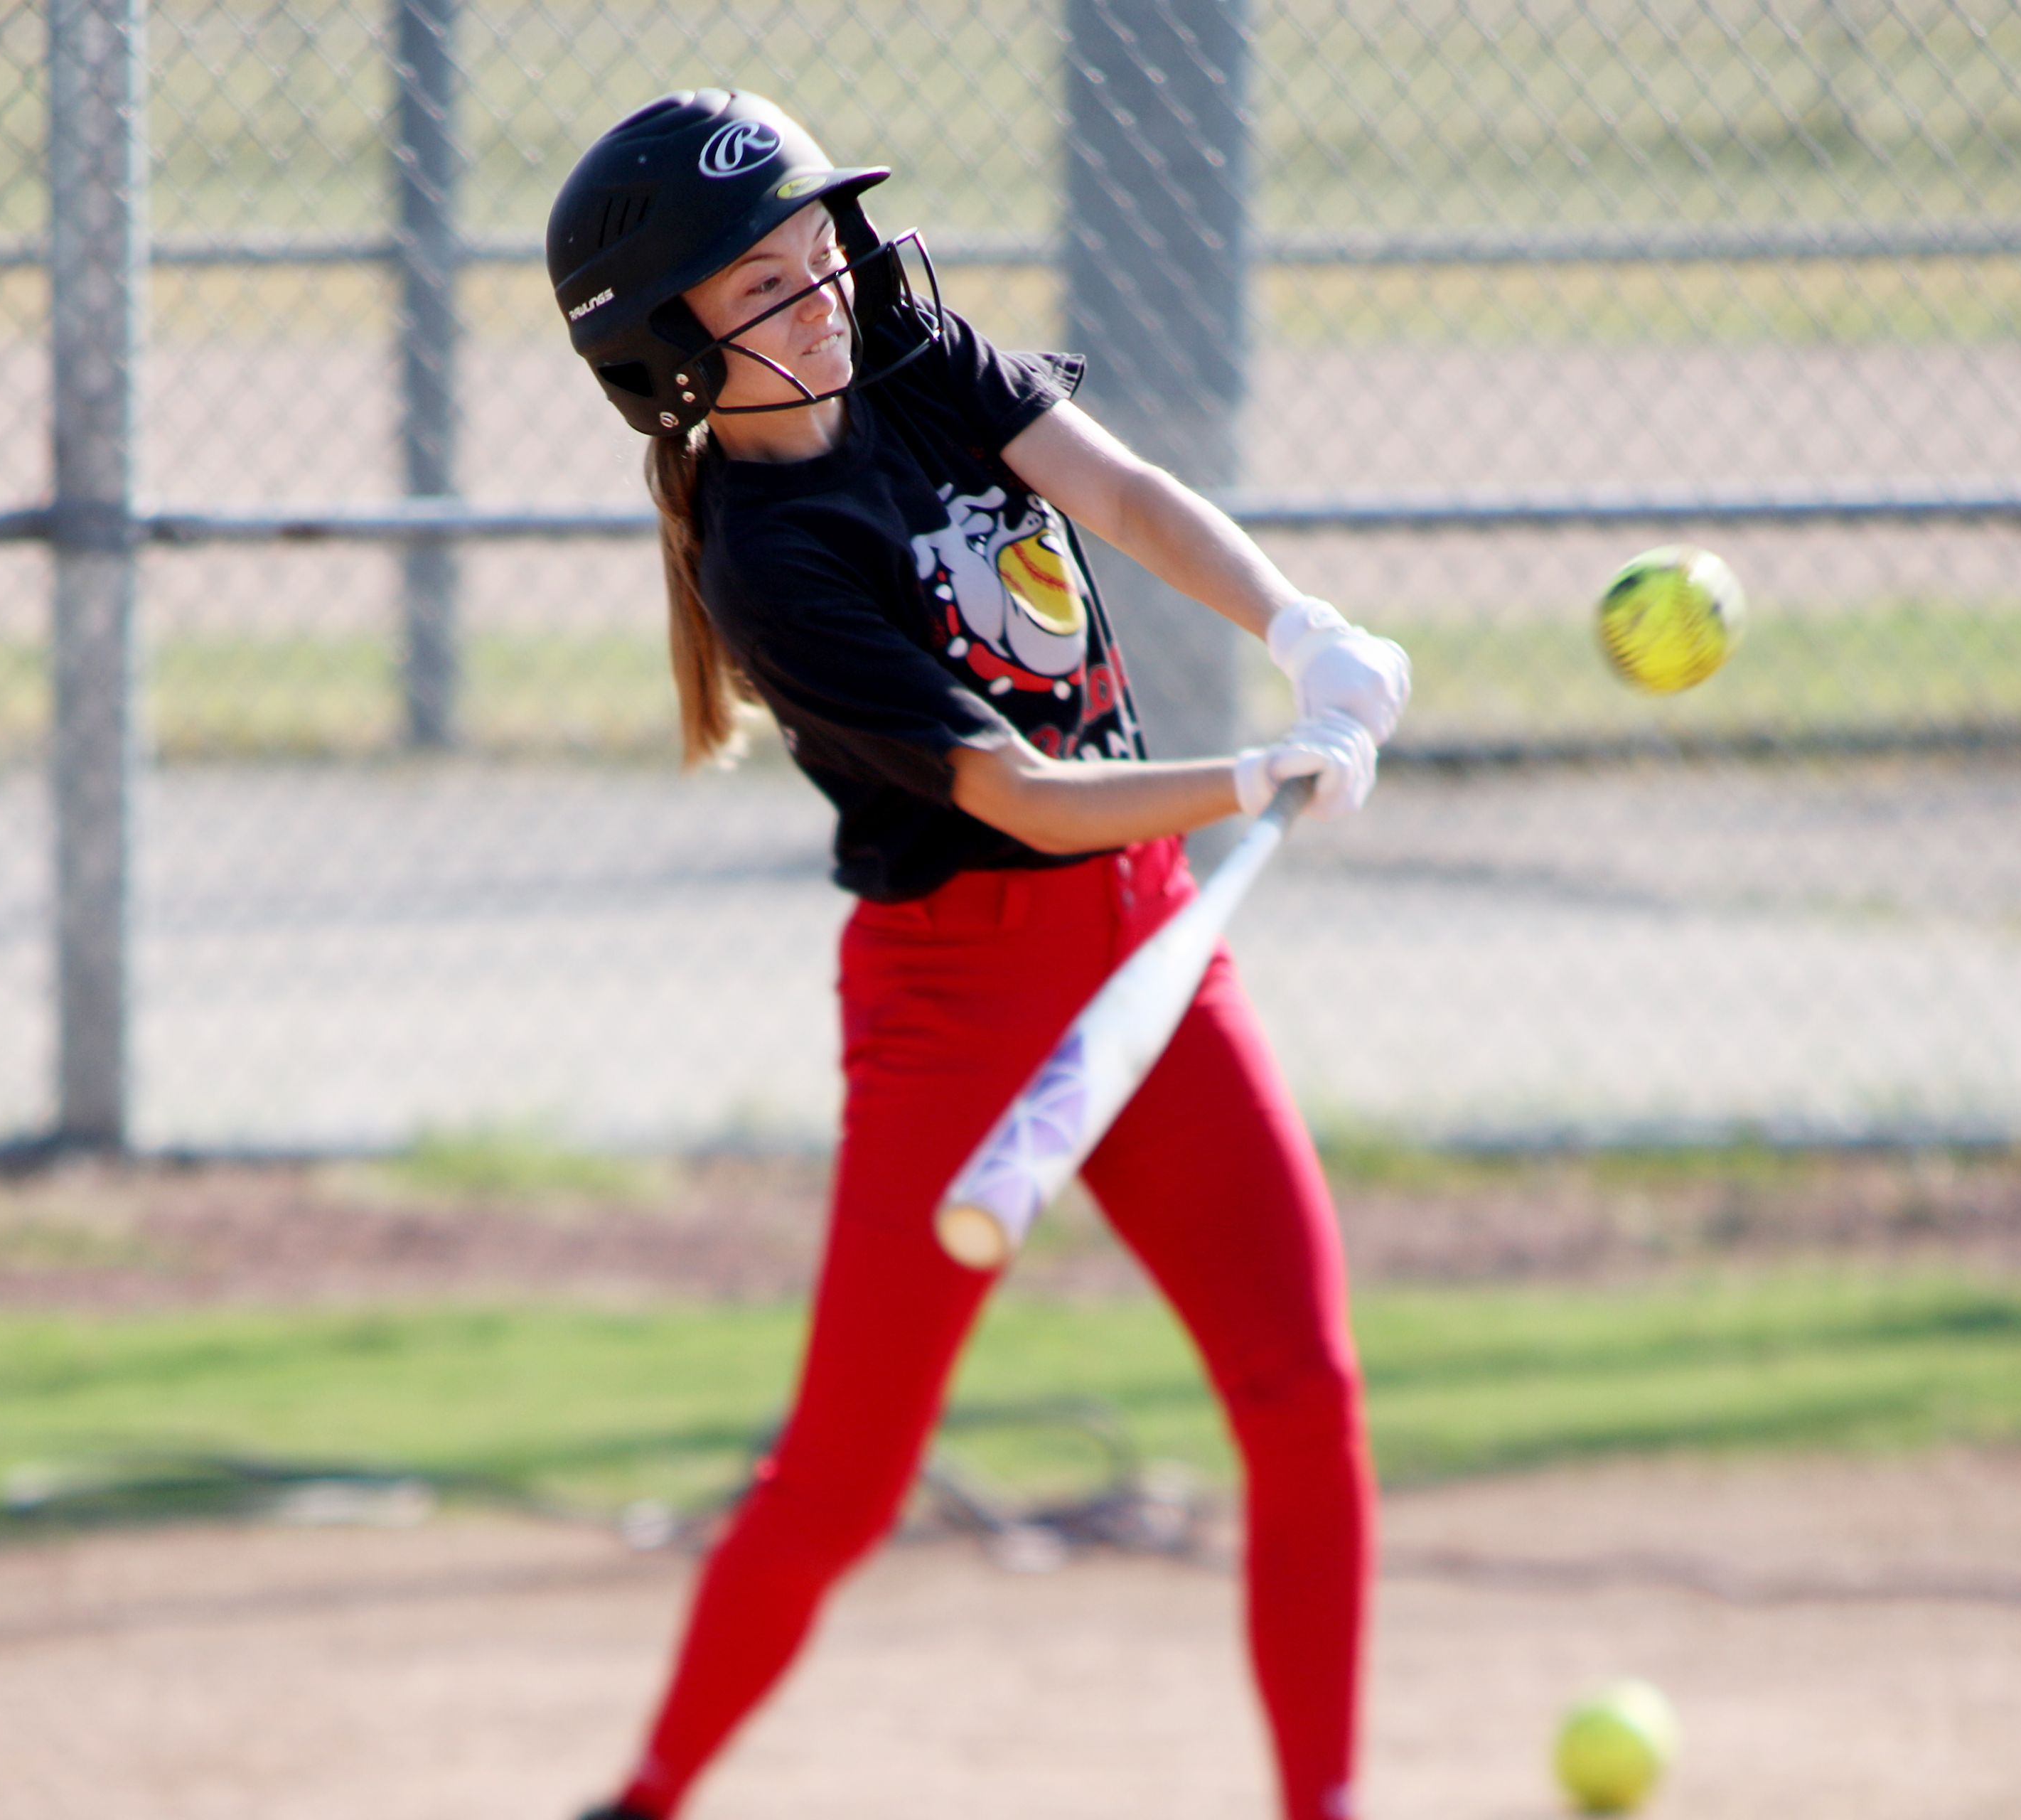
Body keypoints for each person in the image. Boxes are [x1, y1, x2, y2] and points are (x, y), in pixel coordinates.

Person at [547, 89, 1412, 1820]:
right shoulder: (770, 553)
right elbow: (1012, 797)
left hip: (1151, 945)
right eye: (763, 286)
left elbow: (1122, 487)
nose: (823, 298)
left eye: (817, 252)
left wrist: (1298, 627)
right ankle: (642, 1800)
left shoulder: (909, 356)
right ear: (677, 359)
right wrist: (1257, 771)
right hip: (963, 1001)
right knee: (844, 1480)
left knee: (1304, 1391)